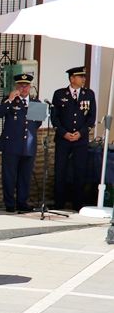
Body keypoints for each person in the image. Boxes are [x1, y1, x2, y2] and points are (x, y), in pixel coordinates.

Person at [52, 66, 97, 211]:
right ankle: (59, 202)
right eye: (80, 76)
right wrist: (63, 133)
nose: (84, 79)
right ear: (72, 79)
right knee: (60, 170)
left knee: (80, 171)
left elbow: (91, 117)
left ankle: (78, 202)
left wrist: (82, 132)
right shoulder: (60, 94)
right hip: (63, 139)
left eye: (84, 76)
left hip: (80, 140)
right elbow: (55, 116)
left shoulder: (88, 94)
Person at [0, 74, 40, 213]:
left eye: (26, 85)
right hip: (11, 145)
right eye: (20, 85)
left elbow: (36, 124)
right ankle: (9, 203)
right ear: (16, 87)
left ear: (30, 87)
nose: (23, 88)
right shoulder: (10, 102)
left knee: (25, 177)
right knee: (9, 176)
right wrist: (9, 100)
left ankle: (22, 202)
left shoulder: (36, 103)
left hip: (28, 146)